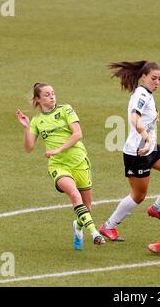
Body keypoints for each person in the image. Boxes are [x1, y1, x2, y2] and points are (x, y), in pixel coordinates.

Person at [99, 61, 160, 241]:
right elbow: (135, 118)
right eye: (153, 78)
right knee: (139, 196)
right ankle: (108, 226)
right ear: (143, 77)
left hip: (151, 149)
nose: (157, 82)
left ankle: (157, 208)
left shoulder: (147, 93)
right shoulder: (141, 95)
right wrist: (147, 139)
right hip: (137, 153)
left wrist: (150, 142)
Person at [16, 83, 105, 251]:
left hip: (79, 161)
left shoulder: (66, 110)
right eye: (47, 94)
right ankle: (95, 234)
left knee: (87, 208)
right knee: (74, 193)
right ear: (38, 99)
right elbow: (29, 148)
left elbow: (78, 133)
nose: (51, 96)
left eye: (53, 93)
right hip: (58, 165)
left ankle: (78, 227)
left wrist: (59, 149)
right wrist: (27, 127)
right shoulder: (37, 121)